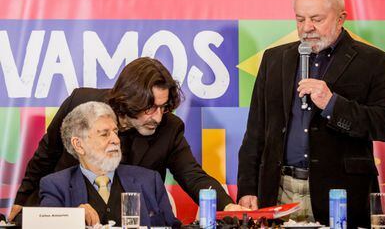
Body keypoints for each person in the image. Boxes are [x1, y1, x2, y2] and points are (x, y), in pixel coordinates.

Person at [237, 0, 385, 228]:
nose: (307, 27)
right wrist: (247, 188)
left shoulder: (373, 62)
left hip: (341, 195)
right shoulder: (274, 60)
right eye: (300, 19)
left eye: (316, 18)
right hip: (280, 191)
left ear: (341, 18)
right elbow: (256, 131)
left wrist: (333, 104)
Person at [10, 57, 243, 221]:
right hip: (69, 209)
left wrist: (228, 206)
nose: (158, 117)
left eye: (164, 107)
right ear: (129, 99)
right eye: (150, 108)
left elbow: (193, 176)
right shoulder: (82, 104)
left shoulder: (169, 128)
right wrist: (22, 199)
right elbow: (46, 154)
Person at [39, 101, 179, 227]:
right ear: (78, 145)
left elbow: (172, 226)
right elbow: (43, 225)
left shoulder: (149, 180)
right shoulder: (55, 186)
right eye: (105, 134)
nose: (116, 140)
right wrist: (73, 217)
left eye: (115, 132)